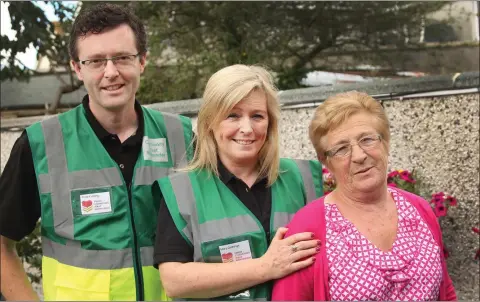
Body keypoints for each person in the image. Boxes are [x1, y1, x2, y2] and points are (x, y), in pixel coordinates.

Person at [0, 3, 193, 301]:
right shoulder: (40, 144)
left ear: (142, 61)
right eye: (96, 61)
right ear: (77, 68)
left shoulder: (181, 137)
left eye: (122, 58)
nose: (111, 72)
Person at [153, 64, 324, 300]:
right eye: (232, 115)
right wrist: (265, 267)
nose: (247, 128)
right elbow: (175, 281)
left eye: (257, 116)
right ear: (210, 123)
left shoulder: (302, 177)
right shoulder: (182, 191)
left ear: (270, 122)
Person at [271, 91, 457, 301]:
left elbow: (446, 291)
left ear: (385, 143)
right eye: (341, 149)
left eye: (367, 140)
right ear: (326, 161)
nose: (359, 156)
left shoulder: (419, 209)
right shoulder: (309, 226)